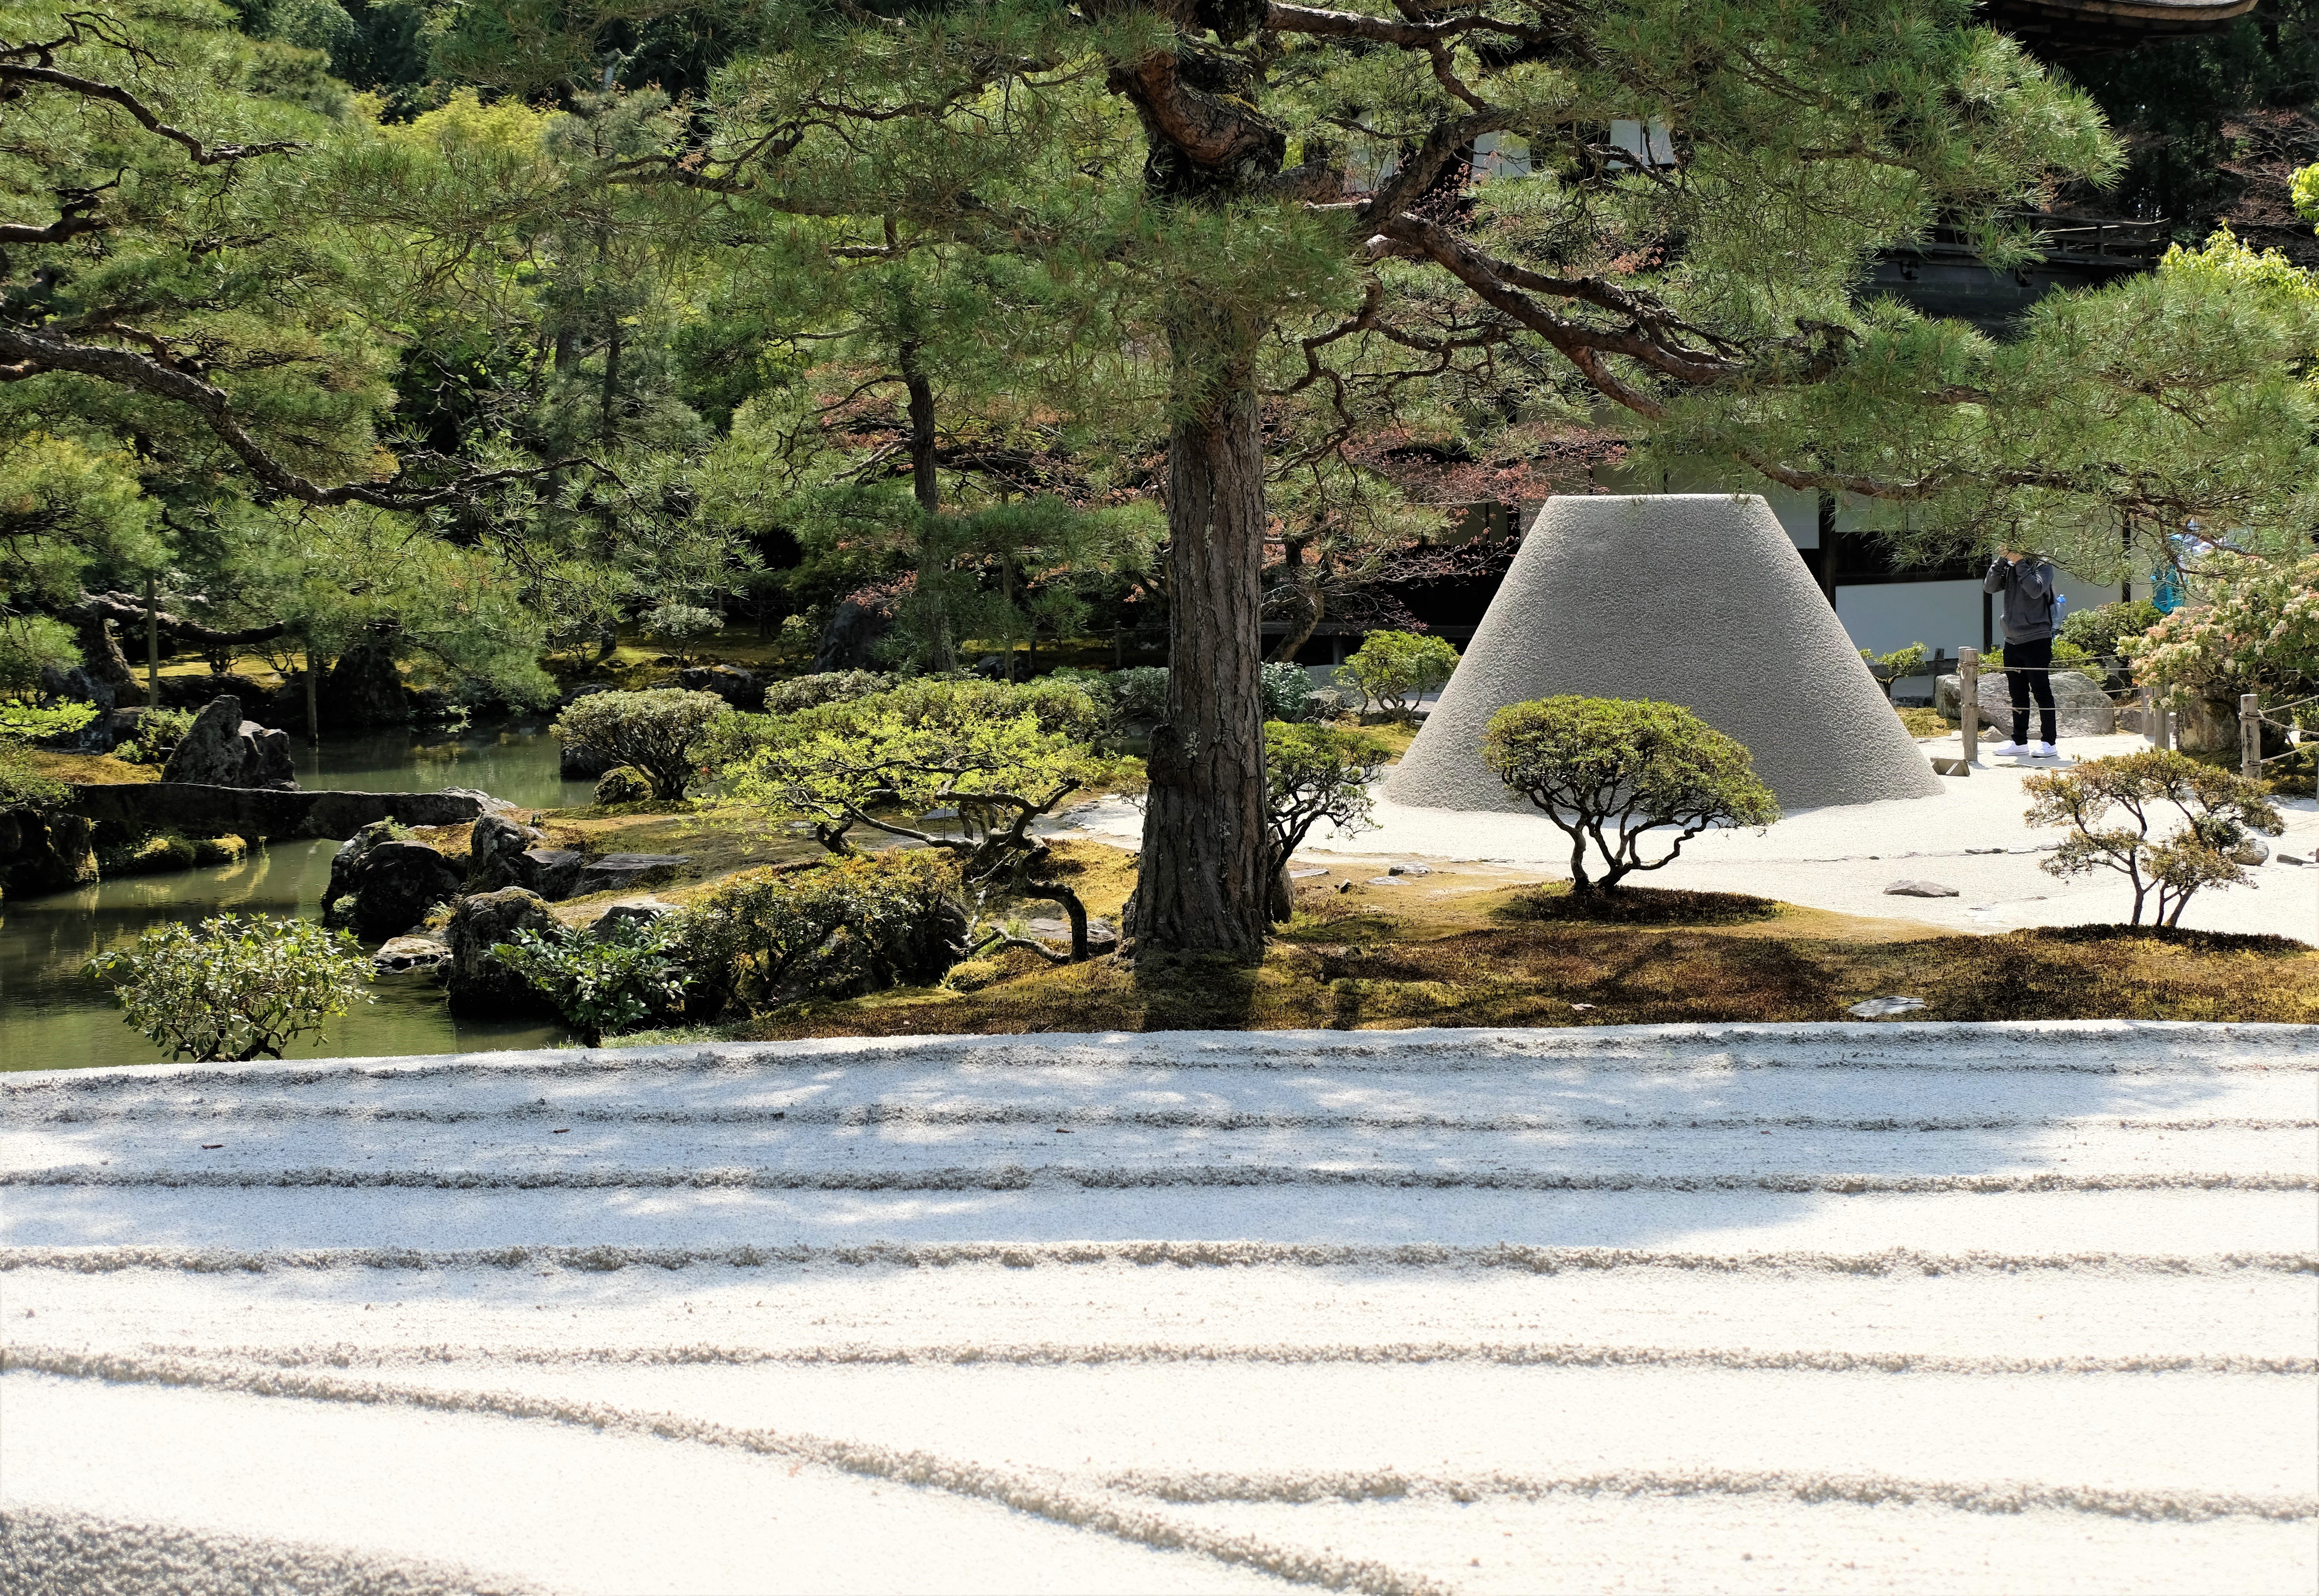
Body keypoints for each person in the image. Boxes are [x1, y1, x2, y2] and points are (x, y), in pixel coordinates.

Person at [1983, 547, 2061, 757]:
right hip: (2012, 640)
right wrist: (2001, 562)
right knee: (2017, 693)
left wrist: (2020, 564)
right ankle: (2019, 741)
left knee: (2041, 691)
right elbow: (1989, 587)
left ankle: (2049, 742)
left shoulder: (2042, 566)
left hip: (2037, 638)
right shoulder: (2008, 568)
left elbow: (2035, 590)